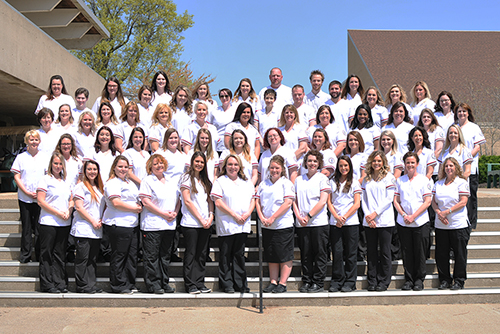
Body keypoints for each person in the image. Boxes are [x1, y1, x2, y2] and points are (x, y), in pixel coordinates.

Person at [211, 154, 256, 293]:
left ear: (240, 167)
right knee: (225, 255)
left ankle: (240, 284)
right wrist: (234, 215)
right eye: (230, 164)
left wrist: (247, 213)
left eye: (236, 165)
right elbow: (218, 202)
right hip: (227, 224)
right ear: (225, 166)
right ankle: (227, 284)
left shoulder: (246, 182)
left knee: (239, 255)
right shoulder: (220, 181)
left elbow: (253, 200)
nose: (233, 167)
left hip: (242, 224)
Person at [139, 154, 180, 294]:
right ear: (150, 166)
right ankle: (153, 284)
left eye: (161, 163)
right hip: (153, 225)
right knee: (152, 256)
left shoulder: (171, 180)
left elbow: (178, 199)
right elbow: (146, 202)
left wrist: (175, 212)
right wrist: (163, 214)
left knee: (165, 256)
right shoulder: (147, 181)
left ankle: (164, 282)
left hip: (169, 225)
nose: (159, 166)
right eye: (155, 164)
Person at [102, 156, 142, 294]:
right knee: (119, 255)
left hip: (132, 225)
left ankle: (129, 283)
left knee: (131, 256)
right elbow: (116, 203)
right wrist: (134, 209)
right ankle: (118, 285)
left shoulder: (130, 183)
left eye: (126, 167)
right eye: (120, 166)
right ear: (114, 167)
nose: (123, 169)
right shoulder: (112, 183)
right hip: (118, 224)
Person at [256, 155, 295, 293]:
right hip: (267, 225)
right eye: (272, 167)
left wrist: (272, 217)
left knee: (284, 255)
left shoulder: (287, 183)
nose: (274, 170)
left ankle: (282, 283)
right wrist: (262, 218)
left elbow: (288, 203)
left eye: (277, 168)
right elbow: (257, 202)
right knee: (271, 255)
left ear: (282, 169)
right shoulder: (263, 184)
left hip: (282, 225)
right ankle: (273, 281)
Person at [394, 152, 432, 291]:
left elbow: (427, 201)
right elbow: (396, 201)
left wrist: (413, 216)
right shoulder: (400, 180)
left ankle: (419, 279)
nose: (410, 165)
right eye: (407, 162)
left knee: (420, 251)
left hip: (420, 222)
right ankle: (409, 279)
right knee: (407, 251)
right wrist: (404, 215)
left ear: (417, 164)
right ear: (404, 164)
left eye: (412, 162)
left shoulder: (424, 180)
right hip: (404, 222)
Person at [293, 150, 331, 293]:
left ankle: (318, 282)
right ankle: (307, 280)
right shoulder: (298, 180)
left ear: (319, 163)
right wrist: (298, 216)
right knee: (305, 253)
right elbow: (294, 201)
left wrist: (308, 216)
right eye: (309, 161)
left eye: (315, 161)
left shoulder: (322, 179)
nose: (312, 163)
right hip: (302, 223)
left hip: (318, 223)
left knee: (319, 253)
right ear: (305, 163)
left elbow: (323, 201)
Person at [11, 130, 50, 263]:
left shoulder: (45, 157)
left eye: (36, 140)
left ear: (39, 141)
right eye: (31, 140)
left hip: (40, 198)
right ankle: (26, 255)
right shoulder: (21, 157)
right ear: (26, 141)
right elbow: (17, 176)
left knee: (39, 228)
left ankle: (39, 255)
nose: (33, 142)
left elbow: (48, 176)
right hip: (25, 197)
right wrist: (26, 192)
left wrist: (40, 192)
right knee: (27, 228)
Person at [37, 152, 73, 293]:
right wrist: (58, 213)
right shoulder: (45, 179)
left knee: (60, 253)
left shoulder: (66, 181)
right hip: (49, 222)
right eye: (55, 163)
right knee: (47, 254)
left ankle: (59, 283)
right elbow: (41, 201)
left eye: (60, 164)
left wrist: (68, 212)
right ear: (51, 165)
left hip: (64, 223)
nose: (58, 166)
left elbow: (71, 199)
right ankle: (47, 284)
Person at [432, 157, 470, 290]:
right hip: (441, 225)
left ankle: (459, 280)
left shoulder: (461, 182)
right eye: (446, 166)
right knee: (441, 254)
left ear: (456, 167)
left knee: (459, 254)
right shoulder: (438, 183)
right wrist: (439, 213)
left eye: (451, 166)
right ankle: (445, 280)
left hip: (458, 224)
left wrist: (447, 212)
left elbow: (463, 201)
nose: (448, 168)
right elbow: (433, 201)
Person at [179, 152, 214, 294]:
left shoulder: (206, 181)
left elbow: (210, 201)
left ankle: (200, 283)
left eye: (202, 162)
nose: (199, 164)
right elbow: (187, 201)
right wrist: (201, 219)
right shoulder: (186, 178)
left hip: (205, 223)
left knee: (201, 254)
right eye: (197, 161)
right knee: (191, 253)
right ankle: (190, 284)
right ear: (192, 162)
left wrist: (211, 217)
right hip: (191, 223)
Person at [361, 151, 396, 291]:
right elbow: (363, 199)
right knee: (371, 252)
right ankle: (372, 280)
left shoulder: (389, 178)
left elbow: (389, 199)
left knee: (385, 252)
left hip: (384, 220)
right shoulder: (366, 179)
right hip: (369, 221)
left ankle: (383, 281)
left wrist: (375, 213)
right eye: (374, 161)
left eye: (379, 161)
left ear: (383, 163)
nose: (376, 163)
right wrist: (368, 215)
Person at [327, 156, 361, 292]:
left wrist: (345, 217)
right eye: (341, 166)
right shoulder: (332, 182)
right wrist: (336, 217)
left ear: (350, 167)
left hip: (351, 222)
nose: (343, 168)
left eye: (346, 166)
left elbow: (357, 203)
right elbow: (329, 201)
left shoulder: (355, 183)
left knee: (351, 253)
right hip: (335, 222)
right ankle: (337, 280)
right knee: (337, 252)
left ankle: (350, 281)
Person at [71, 159, 104, 293]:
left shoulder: (100, 188)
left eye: (94, 169)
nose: (92, 172)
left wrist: (101, 220)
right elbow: (79, 208)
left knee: (92, 259)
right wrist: (92, 221)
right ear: (84, 171)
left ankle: (90, 284)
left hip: (96, 229)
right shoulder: (80, 187)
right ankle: (82, 285)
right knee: (82, 258)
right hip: (83, 228)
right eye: (89, 169)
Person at [455, 103, 485, 229]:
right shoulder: (454, 128)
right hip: (456, 170)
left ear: (468, 113)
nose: (461, 113)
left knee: (471, 195)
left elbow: (477, 147)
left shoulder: (474, 127)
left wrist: (466, 159)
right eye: (459, 111)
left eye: (464, 111)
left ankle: (471, 222)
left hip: (470, 169)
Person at [209, 88, 236, 153]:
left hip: (232, 144)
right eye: (222, 96)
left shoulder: (235, 110)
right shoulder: (214, 111)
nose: (224, 98)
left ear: (230, 97)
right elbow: (210, 126)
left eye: (226, 96)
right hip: (218, 144)